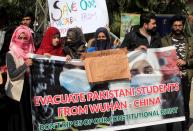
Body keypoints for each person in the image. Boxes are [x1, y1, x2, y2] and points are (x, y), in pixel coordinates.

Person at [161, 14, 193, 131]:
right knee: (170, 104)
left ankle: (184, 127)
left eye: (180, 25)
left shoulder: (190, 40)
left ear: (183, 26)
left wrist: (186, 62)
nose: (178, 27)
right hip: (170, 79)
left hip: (185, 78)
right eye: (175, 25)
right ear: (171, 27)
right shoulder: (164, 40)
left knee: (184, 104)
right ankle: (169, 128)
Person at [5, 25, 35, 131]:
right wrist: (25, 65)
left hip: (28, 91)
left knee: (27, 118)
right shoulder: (10, 54)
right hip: (16, 94)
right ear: (15, 38)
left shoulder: (31, 54)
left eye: (25, 38)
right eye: (20, 37)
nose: (22, 40)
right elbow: (12, 75)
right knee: (18, 121)